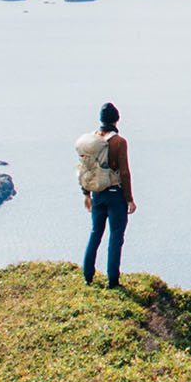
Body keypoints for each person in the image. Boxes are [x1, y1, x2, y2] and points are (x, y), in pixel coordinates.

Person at [76, 102, 135, 285]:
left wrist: (86, 194)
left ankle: (88, 276)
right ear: (117, 119)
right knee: (116, 236)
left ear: (101, 120)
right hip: (115, 194)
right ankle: (113, 280)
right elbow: (124, 172)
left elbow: (85, 169)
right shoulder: (119, 142)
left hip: (97, 194)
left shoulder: (92, 142)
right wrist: (129, 199)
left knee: (95, 233)